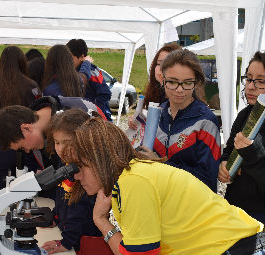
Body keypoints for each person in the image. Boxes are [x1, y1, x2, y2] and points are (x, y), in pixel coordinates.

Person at [69, 118, 264, 255]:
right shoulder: (134, 174)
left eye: (80, 167)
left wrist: (101, 221)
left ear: (99, 161)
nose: (76, 176)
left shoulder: (135, 181)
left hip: (238, 246)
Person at [151, 49, 221, 192]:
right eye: (172, 82)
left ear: (196, 83)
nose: (179, 89)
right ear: (162, 79)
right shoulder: (156, 115)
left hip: (190, 208)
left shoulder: (206, 122)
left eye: (187, 83)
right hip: (157, 202)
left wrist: (160, 165)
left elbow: (207, 179)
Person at [0, 46, 40, 195]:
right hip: (27, 150)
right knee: (25, 196)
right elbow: (38, 121)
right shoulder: (33, 88)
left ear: (1, 63)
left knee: (0, 198)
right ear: (22, 62)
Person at [41, 109, 102, 254]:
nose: (61, 149)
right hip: (68, 234)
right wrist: (54, 217)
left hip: (83, 241)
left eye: (67, 143)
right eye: (57, 142)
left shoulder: (85, 172)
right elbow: (62, 194)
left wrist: (67, 242)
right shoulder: (65, 162)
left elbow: (80, 211)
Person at [218, 51, 265, 223]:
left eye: (260, 81)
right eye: (249, 78)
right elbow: (229, 149)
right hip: (234, 210)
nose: (251, 86)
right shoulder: (244, 115)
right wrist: (223, 165)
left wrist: (253, 156)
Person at [0, 96, 107, 154]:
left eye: (22, 147)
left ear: (26, 128)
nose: (27, 151)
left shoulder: (82, 114)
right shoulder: (39, 140)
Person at [67, 39, 112, 121]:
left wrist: (91, 112)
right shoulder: (72, 70)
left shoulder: (92, 72)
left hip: (98, 120)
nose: (67, 61)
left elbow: (105, 94)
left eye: (70, 57)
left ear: (81, 57)